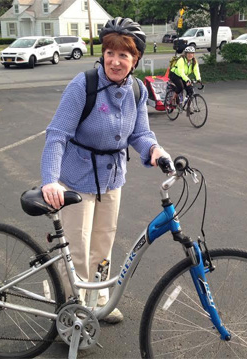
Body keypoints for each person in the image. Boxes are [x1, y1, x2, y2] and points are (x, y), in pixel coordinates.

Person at [40, 17, 171, 324]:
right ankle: (71, 312)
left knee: (103, 243)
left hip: (112, 180)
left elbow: (140, 134)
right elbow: (57, 134)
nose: (115, 60)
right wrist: (50, 181)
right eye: (110, 52)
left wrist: (154, 150)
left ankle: (98, 299)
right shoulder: (83, 85)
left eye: (123, 55)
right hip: (75, 181)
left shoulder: (137, 91)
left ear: (134, 58)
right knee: (76, 247)